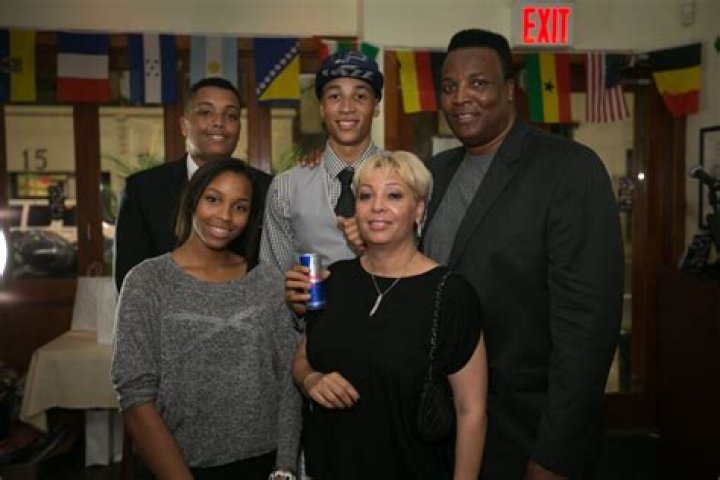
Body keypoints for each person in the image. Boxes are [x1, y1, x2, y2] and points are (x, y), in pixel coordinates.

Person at [421, 29, 625, 479]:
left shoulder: (568, 168)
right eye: (450, 86)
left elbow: (587, 327)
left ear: (510, 89)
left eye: (478, 83)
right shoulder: (434, 174)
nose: (461, 97)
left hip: (524, 433)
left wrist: (556, 453)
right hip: (441, 430)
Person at [291, 151, 487, 479]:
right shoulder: (333, 280)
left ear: (419, 210)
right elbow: (302, 359)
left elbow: (472, 412)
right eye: (366, 196)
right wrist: (311, 380)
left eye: (394, 195)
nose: (377, 206)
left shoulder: (451, 293)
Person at [112, 159, 300, 480]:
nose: (225, 216)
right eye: (213, 199)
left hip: (262, 463)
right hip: (175, 465)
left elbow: (287, 382)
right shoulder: (147, 281)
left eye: (240, 207)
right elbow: (135, 394)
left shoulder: (267, 280)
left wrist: (285, 468)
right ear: (192, 200)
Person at [114, 77, 272, 291]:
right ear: (184, 126)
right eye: (206, 112)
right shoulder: (143, 189)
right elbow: (129, 283)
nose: (219, 122)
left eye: (231, 115)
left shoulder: (267, 188)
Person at [260, 50, 384, 275]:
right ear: (322, 108)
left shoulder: (407, 179)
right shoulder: (286, 187)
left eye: (360, 96)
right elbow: (272, 278)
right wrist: (289, 293)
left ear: (376, 106)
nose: (346, 107)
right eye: (335, 96)